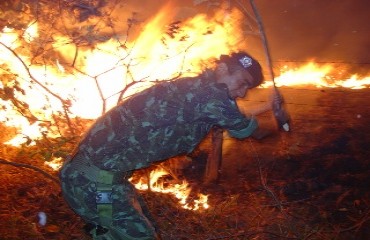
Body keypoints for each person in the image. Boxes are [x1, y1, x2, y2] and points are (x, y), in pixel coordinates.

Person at [60, 51, 279, 239]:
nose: (242, 93)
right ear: (222, 69)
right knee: (136, 234)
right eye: (242, 83)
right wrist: (280, 119)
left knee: (119, 230)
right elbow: (249, 130)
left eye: (247, 88)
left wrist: (267, 109)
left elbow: (230, 117)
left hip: (93, 176)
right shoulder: (210, 96)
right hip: (97, 183)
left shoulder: (193, 89)